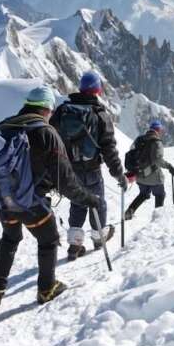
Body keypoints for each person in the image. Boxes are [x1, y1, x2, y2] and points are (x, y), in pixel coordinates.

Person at [0, 85, 101, 309]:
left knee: (10, 238)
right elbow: (66, 180)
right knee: (49, 239)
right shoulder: (46, 133)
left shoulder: (3, 127)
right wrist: (88, 199)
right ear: (47, 109)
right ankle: (46, 289)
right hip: (31, 204)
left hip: (3, 200)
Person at [50, 71, 127, 261]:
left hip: (70, 170)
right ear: (98, 90)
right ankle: (99, 238)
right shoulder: (99, 114)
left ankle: (74, 245)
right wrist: (119, 174)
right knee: (97, 203)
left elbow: (51, 139)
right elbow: (109, 148)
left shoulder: (62, 111)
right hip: (92, 169)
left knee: (77, 203)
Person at [124, 120, 174, 220]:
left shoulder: (139, 139)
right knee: (160, 194)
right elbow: (157, 160)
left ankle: (129, 212)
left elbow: (131, 153)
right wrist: (169, 166)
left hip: (139, 176)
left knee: (143, 194)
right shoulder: (156, 142)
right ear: (158, 130)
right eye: (160, 130)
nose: (161, 132)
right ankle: (158, 218)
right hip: (154, 177)